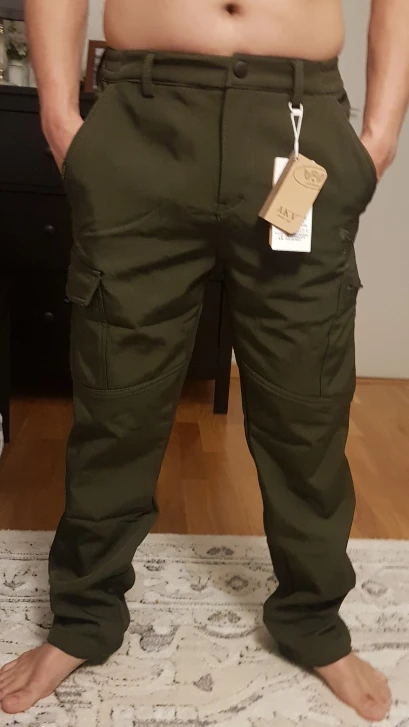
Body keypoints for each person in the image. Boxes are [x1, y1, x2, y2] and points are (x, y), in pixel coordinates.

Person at [0, 0, 407, 718]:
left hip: (298, 122)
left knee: (306, 409)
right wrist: (60, 118)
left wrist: (379, 136)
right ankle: (84, 616)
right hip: (142, 120)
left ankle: (313, 619)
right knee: (115, 402)